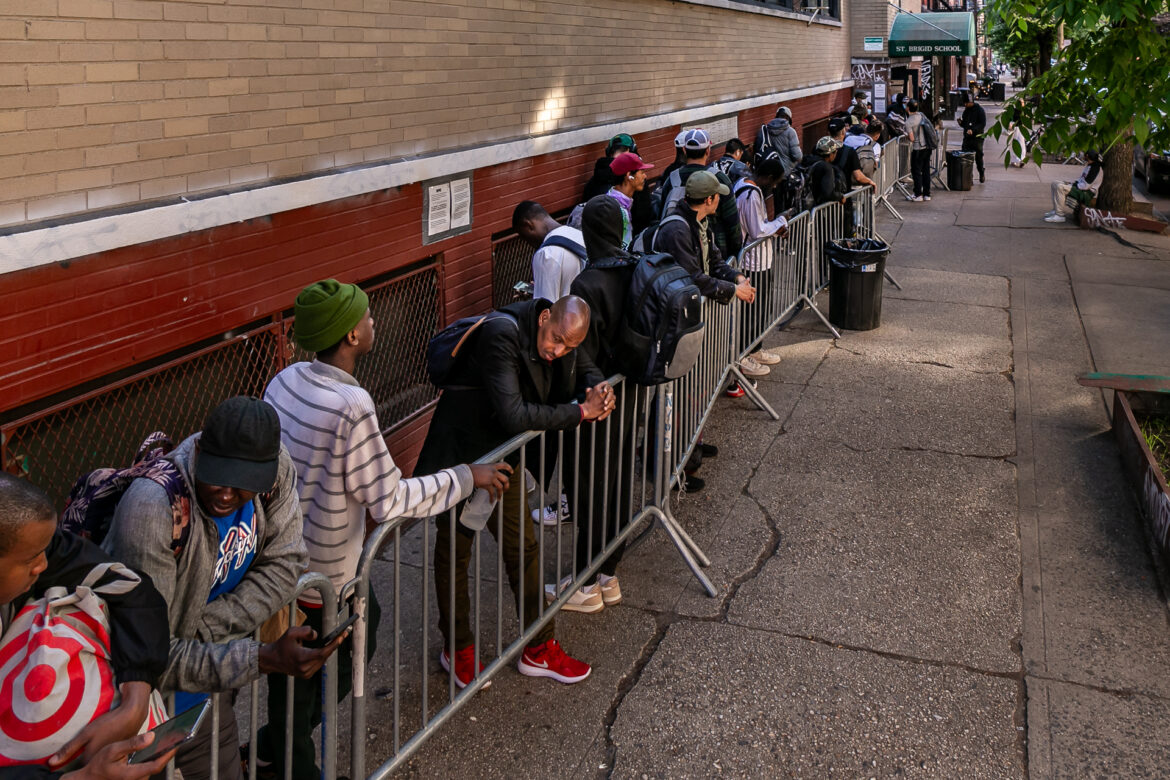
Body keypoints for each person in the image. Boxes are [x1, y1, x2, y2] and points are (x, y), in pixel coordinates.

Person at [256, 280, 512, 780]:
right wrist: (466, 477)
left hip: (284, 560)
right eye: (368, 316)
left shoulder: (283, 381)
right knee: (300, 681)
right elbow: (390, 498)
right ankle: (292, 758)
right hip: (321, 575)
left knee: (354, 637)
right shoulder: (351, 407)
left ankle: (280, 742)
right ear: (351, 335)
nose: (375, 321)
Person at [104, 396, 335, 780]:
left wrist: (202, 631)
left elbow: (288, 561)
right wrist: (260, 657)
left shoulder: (275, 468)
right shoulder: (152, 510)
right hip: (138, 714)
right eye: (218, 476)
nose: (227, 494)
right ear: (198, 450)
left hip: (208, 700)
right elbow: (153, 658)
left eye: (243, 485)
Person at [415, 295, 614, 686]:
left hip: (503, 459)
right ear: (544, 317)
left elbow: (585, 365)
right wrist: (580, 412)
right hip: (463, 456)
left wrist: (599, 390)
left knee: (523, 549)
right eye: (556, 339)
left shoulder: (563, 340)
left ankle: (538, 647)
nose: (558, 351)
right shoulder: (501, 334)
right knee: (455, 552)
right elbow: (514, 413)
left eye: (568, 345)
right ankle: (458, 648)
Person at [0, 473, 168, 773]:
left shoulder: (31, 546)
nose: (43, 565)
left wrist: (135, 699)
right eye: (30, 560)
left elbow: (131, 587)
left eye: (45, 549)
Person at [549, 195, 641, 612]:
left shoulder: (589, 282)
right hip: (631, 392)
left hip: (597, 400)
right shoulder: (634, 268)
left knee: (589, 488)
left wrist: (595, 384)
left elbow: (581, 347)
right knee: (618, 482)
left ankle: (585, 582)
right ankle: (609, 575)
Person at [732, 155, 789, 387]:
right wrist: (781, 223)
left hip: (760, 259)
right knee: (752, 312)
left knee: (761, 308)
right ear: (768, 177)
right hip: (752, 262)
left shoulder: (744, 186)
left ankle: (756, 348)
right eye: (774, 182)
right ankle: (745, 356)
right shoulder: (751, 193)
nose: (774, 187)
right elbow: (758, 230)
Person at [657, 129, 743, 260]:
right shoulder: (720, 179)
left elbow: (662, 214)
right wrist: (734, 254)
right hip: (715, 255)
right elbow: (733, 224)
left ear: (684, 150)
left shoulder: (672, 179)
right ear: (708, 151)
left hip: (677, 252)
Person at [582, 134, 655, 234]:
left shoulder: (592, 183)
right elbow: (644, 218)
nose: (644, 176)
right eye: (642, 172)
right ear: (631, 151)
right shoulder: (634, 181)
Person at [514, 201, 586, 301]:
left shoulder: (545, 254)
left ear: (528, 225)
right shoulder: (579, 235)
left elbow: (545, 309)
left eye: (524, 236)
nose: (528, 243)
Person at [606, 151, 655, 249]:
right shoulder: (617, 209)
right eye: (642, 172)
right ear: (629, 175)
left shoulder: (617, 200)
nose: (645, 176)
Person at [1045, 150, 1103, 223]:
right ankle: (1055, 210)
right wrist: (1071, 183)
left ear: (1087, 156)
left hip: (1087, 193)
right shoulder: (1089, 165)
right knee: (1055, 183)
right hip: (1081, 187)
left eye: (1085, 156)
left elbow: (1086, 186)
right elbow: (1082, 179)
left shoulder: (1095, 168)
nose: (1083, 158)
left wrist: (1072, 186)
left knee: (1060, 187)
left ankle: (1059, 215)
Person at [903, 99, 938, 202]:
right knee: (926, 170)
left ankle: (918, 194)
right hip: (927, 147)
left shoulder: (909, 122)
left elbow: (912, 138)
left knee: (916, 171)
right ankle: (927, 194)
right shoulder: (922, 115)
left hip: (918, 149)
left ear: (908, 108)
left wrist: (906, 135)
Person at [829, 118, 876, 191]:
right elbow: (858, 177)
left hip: (822, 198)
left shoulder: (818, 149)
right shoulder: (849, 151)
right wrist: (870, 181)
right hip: (843, 195)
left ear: (828, 133)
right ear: (843, 132)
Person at [755, 106, 802, 174]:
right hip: (786, 171)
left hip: (770, 170)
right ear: (789, 118)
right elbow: (797, 157)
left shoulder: (767, 129)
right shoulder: (790, 131)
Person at [799, 137, 844, 207]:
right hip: (815, 207)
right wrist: (840, 196)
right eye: (835, 151)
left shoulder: (806, 161)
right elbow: (828, 193)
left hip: (802, 206)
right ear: (831, 154)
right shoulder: (826, 167)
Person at [959, 91, 987, 183]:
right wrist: (961, 123)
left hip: (977, 137)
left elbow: (982, 124)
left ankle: (981, 172)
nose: (965, 105)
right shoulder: (966, 111)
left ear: (971, 102)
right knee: (966, 156)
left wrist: (973, 130)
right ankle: (968, 176)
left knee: (978, 157)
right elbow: (965, 124)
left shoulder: (980, 110)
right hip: (967, 137)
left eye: (967, 103)